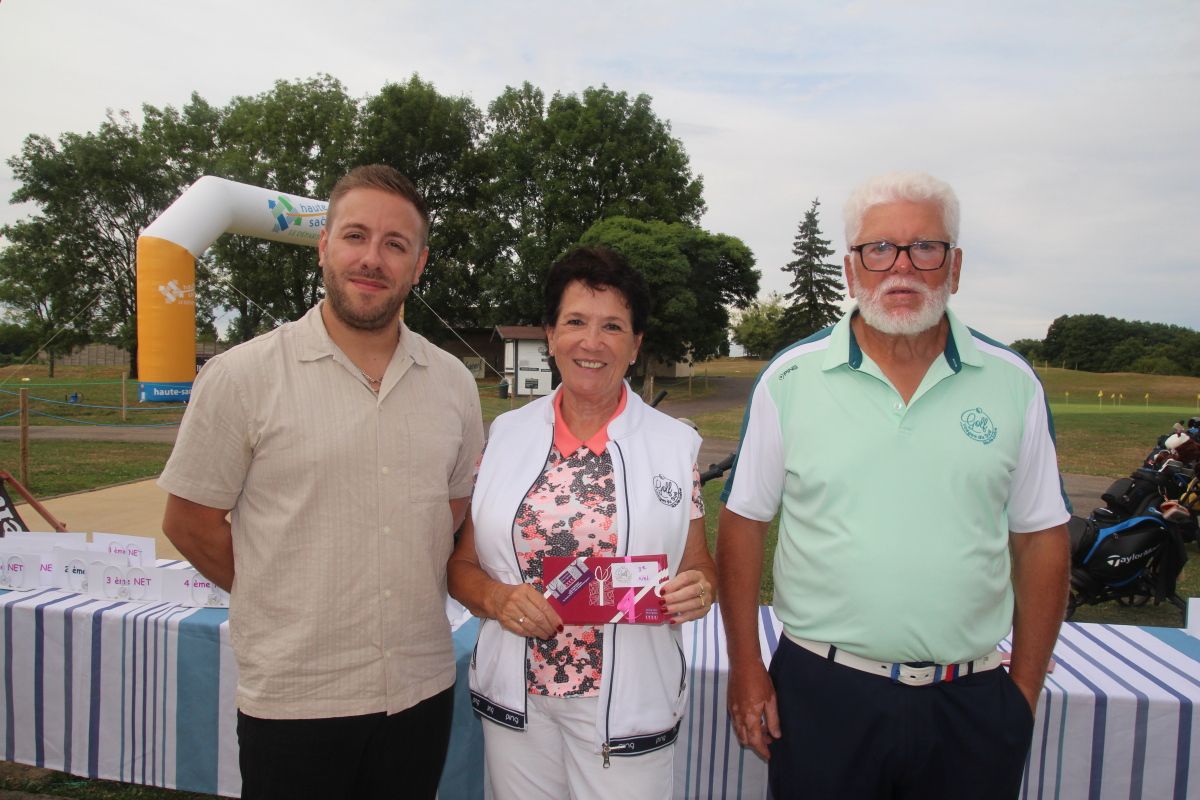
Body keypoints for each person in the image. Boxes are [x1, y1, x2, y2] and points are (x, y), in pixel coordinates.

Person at [717, 171, 1070, 799]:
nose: (901, 267)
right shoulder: (790, 379)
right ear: (851, 268)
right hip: (823, 694)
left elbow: (1041, 538)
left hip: (970, 702)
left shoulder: (1013, 383)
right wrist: (746, 666)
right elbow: (743, 524)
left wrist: (1022, 693)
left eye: (924, 247)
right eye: (879, 248)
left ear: (954, 266)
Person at [158, 164, 485, 800]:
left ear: (419, 265)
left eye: (396, 244)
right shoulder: (241, 376)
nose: (372, 259)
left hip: (419, 688)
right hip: (296, 697)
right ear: (324, 246)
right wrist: (285, 592)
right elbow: (189, 523)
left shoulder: (453, 383)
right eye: (355, 236)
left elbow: (450, 510)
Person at [448, 246, 717, 800]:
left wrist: (700, 590)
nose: (591, 342)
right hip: (519, 704)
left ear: (635, 345)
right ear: (550, 336)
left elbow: (699, 567)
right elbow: (462, 567)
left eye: (612, 326)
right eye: (575, 322)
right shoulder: (505, 437)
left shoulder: (674, 446)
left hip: (628, 710)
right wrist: (498, 598)